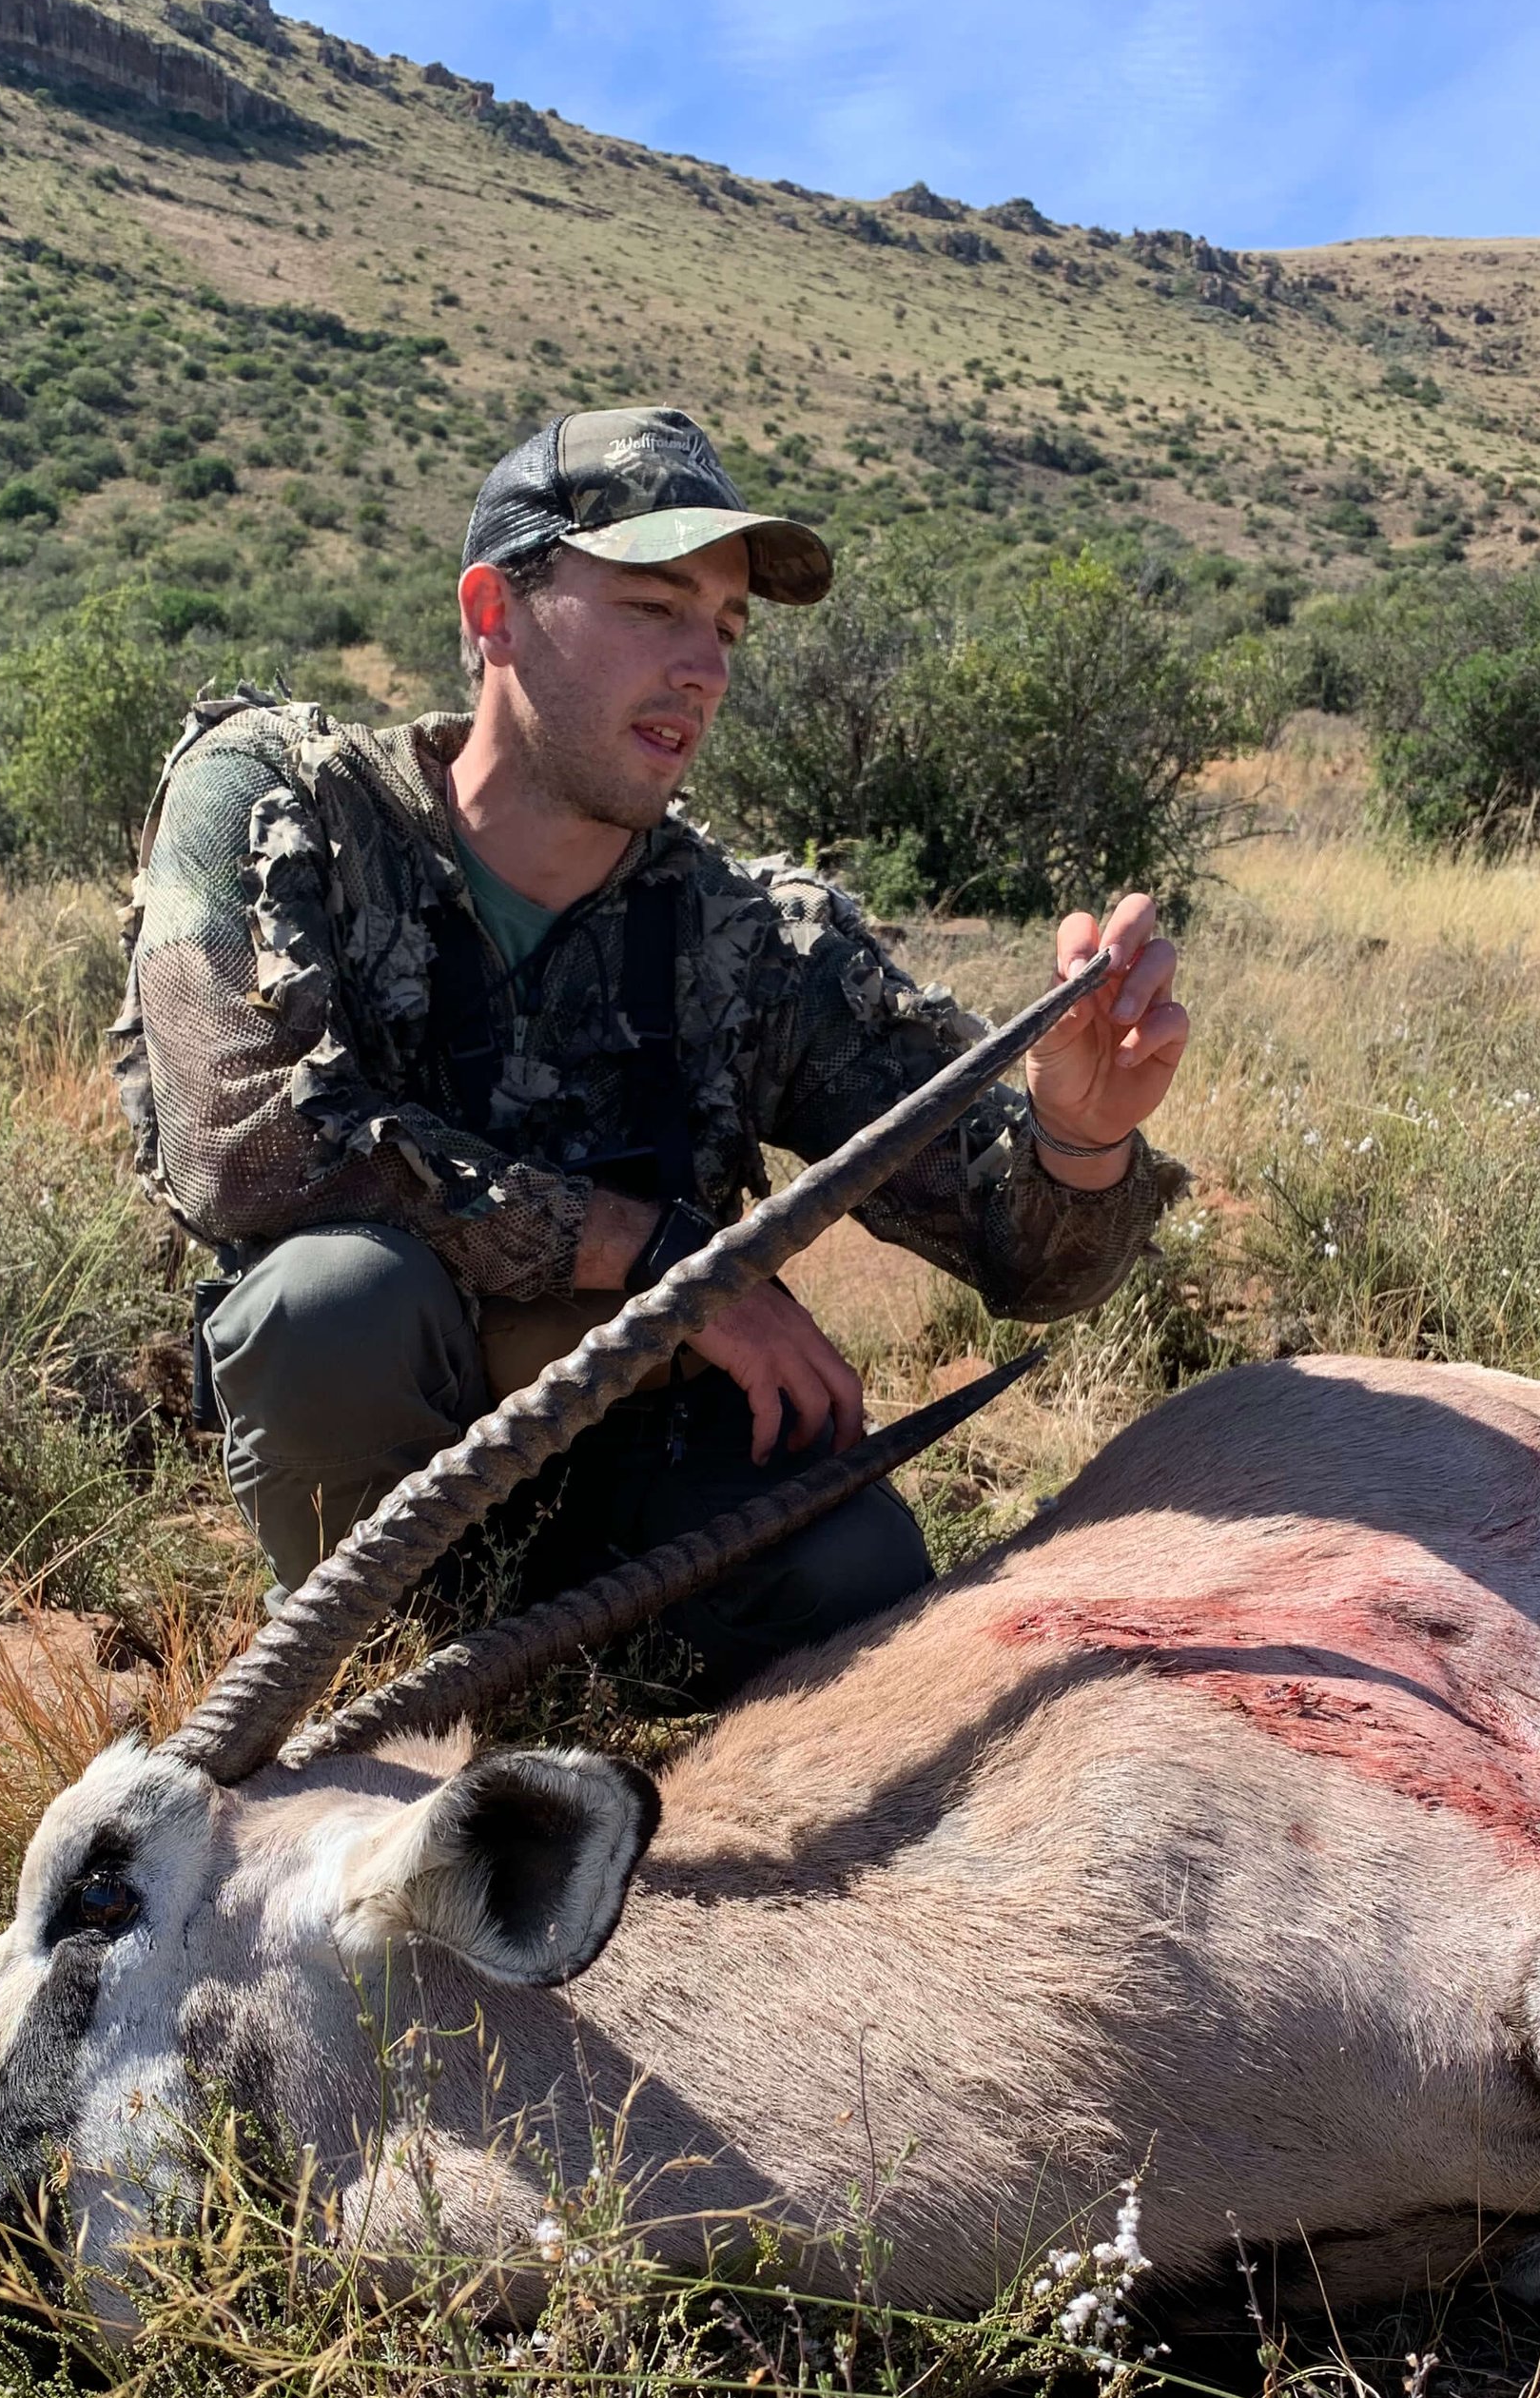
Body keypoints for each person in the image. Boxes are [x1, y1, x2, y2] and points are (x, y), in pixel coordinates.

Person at [114, 405, 1191, 1700]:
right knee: (330, 1306)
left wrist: (1080, 1134)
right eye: (654, 607)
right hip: (388, 1493)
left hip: (637, 1478)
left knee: (863, 1568)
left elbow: (1025, 1258)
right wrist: (672, 1262)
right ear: (493, 612)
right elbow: (250, 1156)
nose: (707, 669)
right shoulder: (280, 806)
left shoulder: (746, 937)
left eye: (727, 628)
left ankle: (616, 1712)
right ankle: (387, 1685)